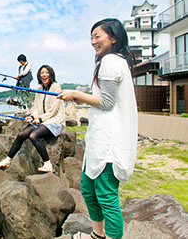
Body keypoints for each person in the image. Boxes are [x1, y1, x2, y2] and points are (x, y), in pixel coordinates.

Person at [57, 18, 137, 239]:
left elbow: (108, 102)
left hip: (109, 140)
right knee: (88, 188)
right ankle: (97, 235)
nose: (93, 41)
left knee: (105, 193)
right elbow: (104, 99)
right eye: (91, 37)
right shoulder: (112, 61)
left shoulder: (111, 61)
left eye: (97, 36)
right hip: (99, 137)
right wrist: (85, 99)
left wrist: (76, 94)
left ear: (113, 38)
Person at [0, 65, 66, 173]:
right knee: (21, 134)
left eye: (46, 73)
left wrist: (41, 119)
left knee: (33, 135)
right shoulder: (39, 89)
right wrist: (32, 117)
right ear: (39, 75)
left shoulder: (56, 87)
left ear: (51, 74)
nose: (44, 75)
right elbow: (37, 107)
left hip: (54, 120)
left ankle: (48, 164)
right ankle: (7, 160)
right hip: (43, 120)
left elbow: (53, 109)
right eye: (42, 73)